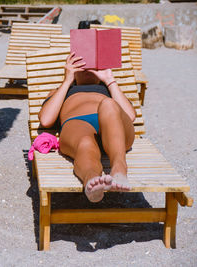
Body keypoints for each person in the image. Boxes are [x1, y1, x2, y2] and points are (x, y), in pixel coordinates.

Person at [38, 52, 136, 202]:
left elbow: (130, 116)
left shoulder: (109, 89)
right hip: (78, 124)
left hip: (113, 125)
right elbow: (46, 120)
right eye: (82, 67)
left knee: (109, 105)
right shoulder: (61, 90)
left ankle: (119, 169)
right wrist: (66, 81)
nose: (88, 70)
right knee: (85, 142)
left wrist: (109, 80)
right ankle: (91, 181)